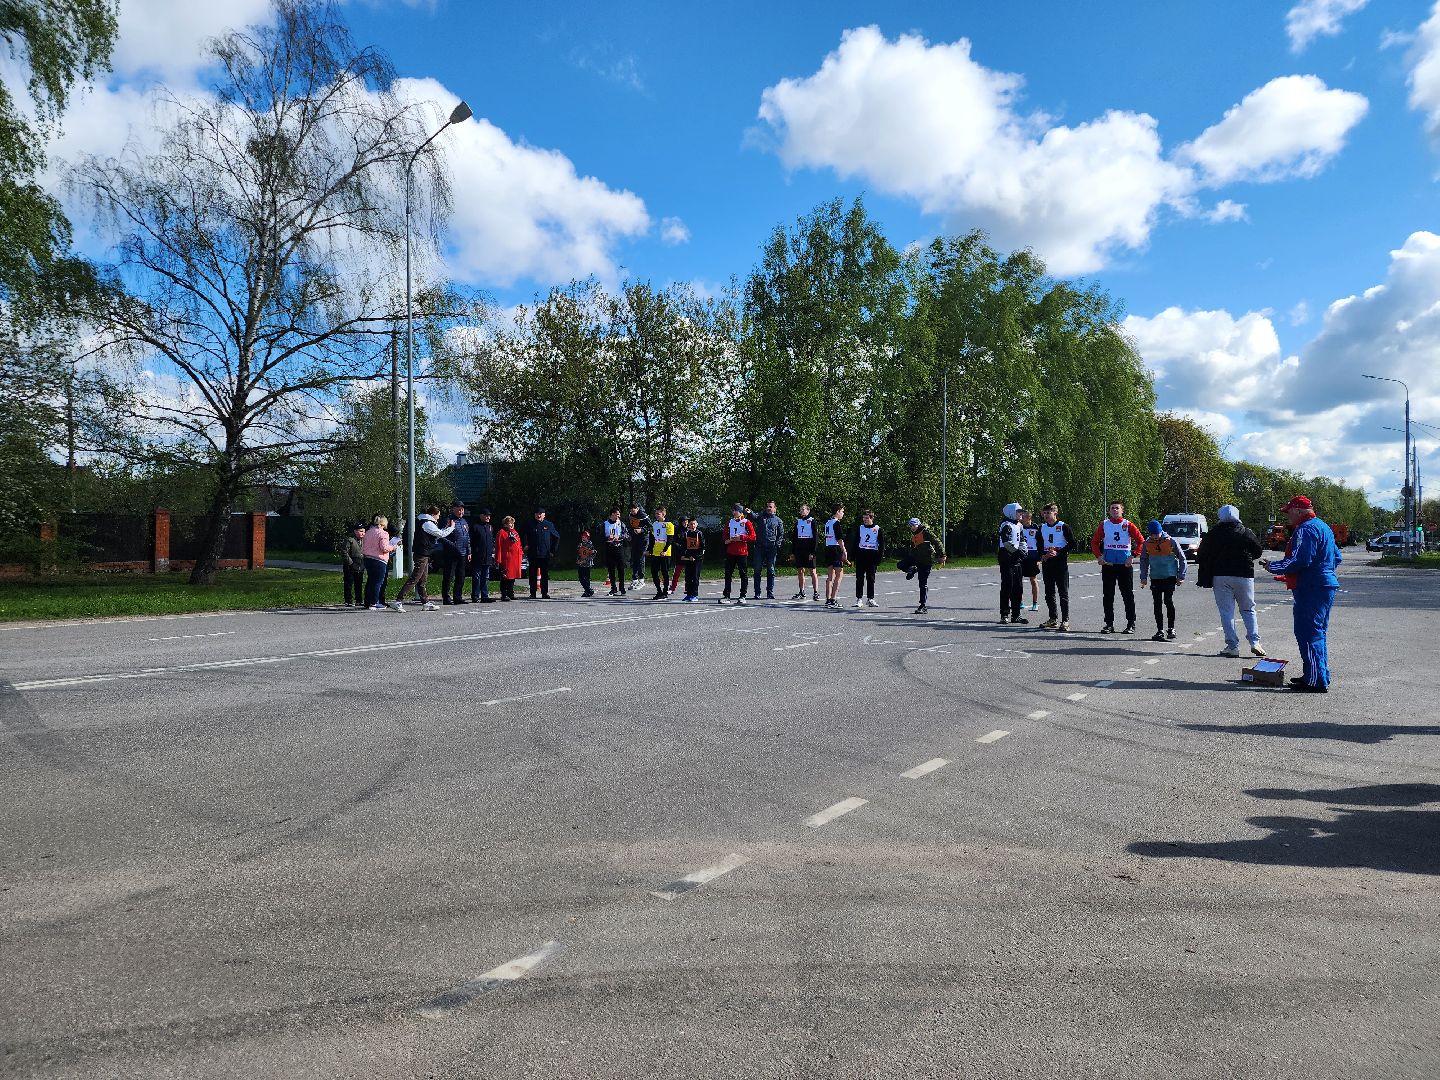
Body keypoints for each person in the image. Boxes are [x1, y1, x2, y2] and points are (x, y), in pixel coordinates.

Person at [1266, 495, 1342, 693]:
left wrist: (1272, 566)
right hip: (1323, 585)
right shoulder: (1323, 527)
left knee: (1308, 633)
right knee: (1317, 632)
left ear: (1298, 511)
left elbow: (1300, 560)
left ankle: (1315, 680)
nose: (1287, 517)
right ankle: (1316, 674)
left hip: (1311, 587)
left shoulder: (1305, 529)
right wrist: (1320, 571)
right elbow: (1337, 557)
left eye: (1289, 512)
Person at [1196, 504, 1265, 658]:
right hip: (1244, 575)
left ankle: (1232, 646)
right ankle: (1255, 642)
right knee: (1248, 609)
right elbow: (1258, 551)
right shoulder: (1246, 532)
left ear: (1221, 516)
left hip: (1221, 575)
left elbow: (1201, 554)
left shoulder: (1214, 533)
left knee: (1227, 612)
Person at [1090, 500, 1143, 634]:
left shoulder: (1128, 524)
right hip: (1109, 565)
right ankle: (1109, 624)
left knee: (1127, 595)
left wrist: (1133, 555)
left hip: (1124, 565)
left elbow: (1141, 542)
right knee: (1108, 595)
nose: (1115, 510)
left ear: (1122, 510)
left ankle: (1131, 623)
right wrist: (1099, 556)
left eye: (1117, 508)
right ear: (1109, 511)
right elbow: (1095, 542)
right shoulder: (1104, 524)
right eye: (1112, 508)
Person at [395, 504, 453, 611]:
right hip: (421, 554)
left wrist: (446, 528)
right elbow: (440, 534)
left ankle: (425, 602)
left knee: (422, 579)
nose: (439, 517)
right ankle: (399, 600)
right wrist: (451, 528)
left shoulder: (426, 522)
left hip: (424, 554)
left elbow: (436, 532)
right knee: (415, 578)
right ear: (432, 514)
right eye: (438, 515)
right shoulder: (427, 523)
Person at [1139, 519, 1187, 641]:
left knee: (1168, 601)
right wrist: (1143, 577)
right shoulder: (1147, 543)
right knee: (1157, 603)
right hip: (1155, 577)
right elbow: (1144, 560)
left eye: (1157, 534)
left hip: (1169, 576)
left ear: (1161, 531)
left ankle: (1171, 628)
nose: (1155, 537)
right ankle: (1160, 630)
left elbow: (1182, 558)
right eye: (1152, 534)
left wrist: (1181, 576)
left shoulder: (1170, 541)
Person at [1036, 504, 1075, 631]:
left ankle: (1065, 620)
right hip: (1047, 563)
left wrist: (1059, 552)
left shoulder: (1063, 526)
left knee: (1063, 592)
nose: (1046, 515)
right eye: (1045, 513)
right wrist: (1042, 555)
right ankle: (1053, 618)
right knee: (1049, 592)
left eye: (1049, 512)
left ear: (1055, 513)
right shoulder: (1041, 528)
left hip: (1060, 563)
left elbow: (1072, 543)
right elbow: (1039, 544)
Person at [898, 517, 943, 614]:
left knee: (922, 584)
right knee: (900, 564)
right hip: (916, 559)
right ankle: (913, 569)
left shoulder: (926, 532)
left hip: (926, 561)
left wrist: (942, 555)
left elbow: (937, 542)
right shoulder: (913, 536)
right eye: (910, 526)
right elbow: (913, 550)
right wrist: (909, 564)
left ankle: (923, 606)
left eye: (913, 525)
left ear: (918, 524)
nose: (912, 527)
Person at [997, 502, 1028, 624]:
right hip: (1006, 556)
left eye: (1021, 512)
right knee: (1007, 586)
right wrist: (1016, 552)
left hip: (1016, 557)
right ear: (1011, 513)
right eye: (1018, 512)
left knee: (1018, 587)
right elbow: (1006, 542)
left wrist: (1024, 551)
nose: (1021, 514)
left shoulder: (1019, 525)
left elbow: (1022, 539)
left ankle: (1016, 615)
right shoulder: (1006, 525)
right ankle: (1004, 614)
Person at [361, 515, 400, 610]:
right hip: (379, 560)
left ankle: (368, 601)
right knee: (378, 582)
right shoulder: (384, 534)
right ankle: (374, 603)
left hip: (368, 558)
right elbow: (384, 548)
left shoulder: (368, 532)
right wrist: (394, 547)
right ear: (384, 523)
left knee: (370, 581)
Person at [721, 503, 757, 604]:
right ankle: (727, 595)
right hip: (731, 551)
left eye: (735, 510)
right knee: (728, 573)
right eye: (733, 510)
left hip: (742, 552)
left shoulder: (746, 522)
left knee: (743, 574)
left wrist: (741, 538)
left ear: (740, 512)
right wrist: (726, 540)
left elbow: (753, 536)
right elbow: (724, 535)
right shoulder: (730, 522)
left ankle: (742, 595)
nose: (733, 512)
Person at [748, 500, 784, 600]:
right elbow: (753, 516)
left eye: (771, 506)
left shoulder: (778, 520)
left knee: (771, 570)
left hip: (772, 548)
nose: (769, 508)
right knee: (757, 570)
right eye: (767, 506)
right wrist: (750, 512)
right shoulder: (761, 517)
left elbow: (781, 535)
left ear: (775, 509)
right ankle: (757, 592)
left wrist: (777, 545)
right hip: (760, 547)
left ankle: (770, 592)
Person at [524, 508, 561, 599]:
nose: (538, 515)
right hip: (533, 554)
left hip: (545, 555)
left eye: (541, 513)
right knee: (532, 575)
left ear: (544, 515)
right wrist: (525, 545)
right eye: (537, 513)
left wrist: (552, 551)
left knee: (544, 575)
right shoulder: (529, 524)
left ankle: (544, 593)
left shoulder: (548, 525)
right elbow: (523, 534)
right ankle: (533, 593)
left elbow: (557, 537)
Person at [439, 501, 471, 605]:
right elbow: (441, 537)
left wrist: (469, 551)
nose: (461, 511)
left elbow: (467, 537)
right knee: (449, 576)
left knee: (461, 576)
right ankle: (446, 598)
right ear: (453, 509)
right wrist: (453, 546)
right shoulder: (448, 521)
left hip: (462, 553)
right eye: (459, 509)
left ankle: (458, 597)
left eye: (462, 509)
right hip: (451, 553)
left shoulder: (464, 521)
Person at [852, 509, 882, 608]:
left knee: (871, 578)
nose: (864, 520)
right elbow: (856, 542)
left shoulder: (877, 529)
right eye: (863, 518)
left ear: (871, 518)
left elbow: (882, 545)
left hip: (872, 555)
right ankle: (859, 599)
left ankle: (870, 599)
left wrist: (879, 558)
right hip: (861, 555)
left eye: (866, 518)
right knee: (859, 578)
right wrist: (853, 557)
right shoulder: (860, 528)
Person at [791, 503, 820, 601]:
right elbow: (794, 537)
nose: (802, 511)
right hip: (799, 549)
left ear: (808, 511)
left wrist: (813, 552)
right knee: (800, 570)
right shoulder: (798, 521)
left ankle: (816, 592)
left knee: (812, 571)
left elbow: (816, 538)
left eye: (803, 509)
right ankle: (801, 591)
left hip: (809, 549)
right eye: (801, 509)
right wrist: (793, 552)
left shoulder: (812, 521)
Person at [822, 504, 847, 609]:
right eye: (842, 511)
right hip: (835, 549)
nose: (843, 513)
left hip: (828, 548)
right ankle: (833, 599)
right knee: (839, 574)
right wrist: (844, 551)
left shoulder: (828, 522)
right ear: (837, 511)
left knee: (830, 576)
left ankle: (828, 599)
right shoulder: (836, 523)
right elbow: (839, 539)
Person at [469, 508, 496, 604]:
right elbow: (471, 541)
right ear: (481, 516)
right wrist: (471, 552)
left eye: (489, 515)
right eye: (486, 515)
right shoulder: (475, 526)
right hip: (477, 556)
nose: (488, 517)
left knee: (486, 576)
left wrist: (492, 552)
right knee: (477, 576)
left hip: (488, 556)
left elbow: (491, 541)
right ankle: (475, 596)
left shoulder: (490, 527)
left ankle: (485, 596)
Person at [677, 515, 706, 602]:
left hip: (697, 559)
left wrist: (695, 557)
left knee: (695, 576)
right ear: (688, 525)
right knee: (688, 576)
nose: (692, 526)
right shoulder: (686, 534)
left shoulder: (699, 534)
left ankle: (694, 595)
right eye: (690, 524)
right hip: (688, 558)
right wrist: (684, 555)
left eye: (694, 524)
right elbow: (683, 546)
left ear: (696, 524)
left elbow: (702, 548)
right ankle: (688, 594)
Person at [494, 515, 523, 601]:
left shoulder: (515, 532)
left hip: (515, 559)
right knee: (505, 577)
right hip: (506, 558)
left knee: (512, 577)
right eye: (509, 523)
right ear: (505, 524)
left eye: (512, 523)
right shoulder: (501, 532)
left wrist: (521, 554)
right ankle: (504, 594)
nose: (511, 525)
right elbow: (498, 546)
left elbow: (519, 545)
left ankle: (511, 593)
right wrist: (498, 559)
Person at [650, 505, 675, 600]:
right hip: (656, 551)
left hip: (665, 552)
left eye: (658, 514)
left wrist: (664, 550)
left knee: (664, 572)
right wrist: (650, 549)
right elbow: (652, 538)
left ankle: (665, 592)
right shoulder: (655, 524)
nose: (656, 515)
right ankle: (658, 591)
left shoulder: (669, 525)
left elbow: (670, 539)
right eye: (655, 513)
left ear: (663, 514)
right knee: (654, 571)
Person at [1018, 509, 1041, 612]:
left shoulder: (1036, 528)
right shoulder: (1019, 527)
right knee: (1019, 580)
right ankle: (1020, 602)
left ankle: (1035, 603)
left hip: (1032, 557)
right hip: (1021, 557)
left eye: (1024, 516)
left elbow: (1041, 543)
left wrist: (1039, 558)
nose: (1022, 518)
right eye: (1022, 516)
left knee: (1033, 580)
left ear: (1029, 518)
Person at [602, 508, 627, 596]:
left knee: (621, 569)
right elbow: (600, 535)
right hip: (609, 548)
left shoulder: (621, 523)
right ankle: (613, 588)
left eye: (619, 514)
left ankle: (622, 587)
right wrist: (607, 538)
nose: (618, 516)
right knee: (611, 569)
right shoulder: (605, 524)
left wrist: (619, 537)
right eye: (617, 514)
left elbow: (626, 535)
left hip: (619, 548)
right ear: (612, 514)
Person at [340, 522, 366, 607]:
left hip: (360, 565)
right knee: (349, 583)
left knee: (359, 583)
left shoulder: (364, 540)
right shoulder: (350, 540)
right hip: (350, 565)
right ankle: (348, 600)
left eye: (363, 531)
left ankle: (359, 600)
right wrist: (350, 562)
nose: (363, 533)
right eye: (361, 531)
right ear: (355, 531)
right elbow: (344, 552)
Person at [627, 504, 651, 591]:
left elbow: (650, 527)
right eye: (631, 511)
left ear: (637, 509)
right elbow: (630, 526)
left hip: (643, 539)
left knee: (640, 558)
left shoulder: (643, 516)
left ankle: (641, 580)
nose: (632, 512)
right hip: (634, 538)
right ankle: (635, 579)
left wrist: (641, 530)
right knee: (634, 558)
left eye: (633, 510)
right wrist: (629, 534)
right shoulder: (630, 515)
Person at [576, 528, 597, 598]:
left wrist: (586, 560)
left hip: (588, 564)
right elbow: (578, 554)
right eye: (582, 537)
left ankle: (587, 591)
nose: (583, 538)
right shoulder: (580, 545)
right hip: (581, 564)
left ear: (587, 537)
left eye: (584, 537)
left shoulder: (590, 545)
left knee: (587, 578)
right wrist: (578, 560)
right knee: (581, 578)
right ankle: (588, 590)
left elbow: (593, 554)